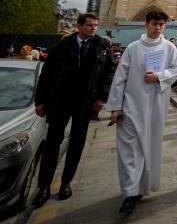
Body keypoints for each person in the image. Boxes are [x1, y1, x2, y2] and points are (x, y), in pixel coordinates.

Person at [32, 13, 115, 208]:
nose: (93, 28)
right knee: (52, 143)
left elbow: (109, 72)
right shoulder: (63, 44)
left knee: (77, 144)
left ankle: (66, 182)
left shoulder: (102, 46)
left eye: (95, 25)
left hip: (85, 102)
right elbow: (47, 73)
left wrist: (102, 97)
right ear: (78, 26)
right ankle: (43, 186)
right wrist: (40, 100)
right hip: (60, 101)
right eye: (89, 25)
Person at [105, 10, 177, 215]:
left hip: (157, 105)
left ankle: (143, 186)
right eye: (154, 24)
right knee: (129, 149)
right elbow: (120, 78)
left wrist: (158, 76)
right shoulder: (133, 48)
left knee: (150, 147)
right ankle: (130, 193)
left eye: (161, 25)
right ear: (146, 25)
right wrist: (115, 107)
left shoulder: (170, 48)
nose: (158, 28)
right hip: (132, 105)